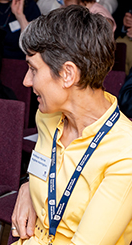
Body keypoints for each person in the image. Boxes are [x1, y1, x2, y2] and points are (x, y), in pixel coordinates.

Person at [10, 5, 132, 245]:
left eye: (33, 69)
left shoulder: (124, 154)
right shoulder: (47, 117)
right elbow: (43, 168)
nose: (26, 81)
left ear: (68, 74)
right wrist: (27, 187)